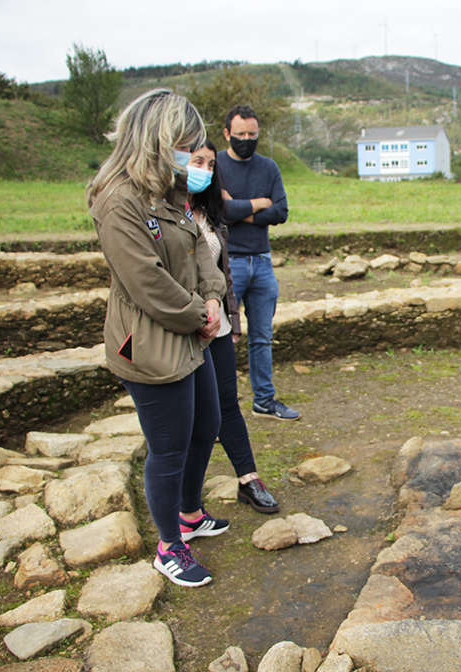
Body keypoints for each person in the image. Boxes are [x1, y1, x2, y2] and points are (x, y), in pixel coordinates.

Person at [88, 89, 231, 588]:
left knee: (206, 423)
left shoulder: (167, 192)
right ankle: (169, 546)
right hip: (150, 341)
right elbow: (146, 282)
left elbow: (199, 251)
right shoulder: (119, 200)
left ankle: (189, 514)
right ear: (157, 139)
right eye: (185, 143)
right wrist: (198, 312)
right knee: (169, 447)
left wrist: (213, 297)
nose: (191, 154)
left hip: (193, 331)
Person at [186, 140, 281, 513]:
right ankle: (185, 505)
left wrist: (232, 318)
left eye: (210, 164)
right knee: (192, 417)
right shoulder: (163, 214)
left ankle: (248, 479)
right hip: (182, 329)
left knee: (227, 403)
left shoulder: (208, 214)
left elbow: (221, 271)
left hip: (217, 325)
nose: (205, 170)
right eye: (198, 161)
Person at [216, 104, 300, 422]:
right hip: (228, 263)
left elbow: (280, 212)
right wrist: (257, 204)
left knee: (262, 336)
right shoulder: (216, 165)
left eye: (253, 134)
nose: (247, 139)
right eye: (240, 134)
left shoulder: (269, 167)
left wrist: (239, 210)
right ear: (227, 133)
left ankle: (264, 400)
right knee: (221, 335)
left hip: (262, 262)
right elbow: (218, 211)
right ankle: (220, 411)